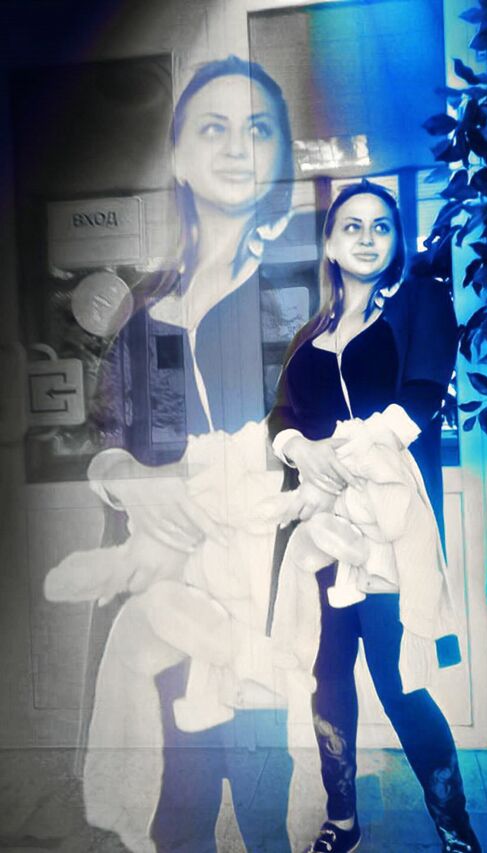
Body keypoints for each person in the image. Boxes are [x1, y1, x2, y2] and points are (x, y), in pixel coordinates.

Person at [49, 56, 296, 853]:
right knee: (176, 811)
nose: (236, 146)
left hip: (254, 607)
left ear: (281, 157)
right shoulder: (147, 311)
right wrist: (126, 478)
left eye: (257, 128)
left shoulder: (299, 297)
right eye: (212, 127)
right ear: (179, 158)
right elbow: (107, 437)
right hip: (163, 606)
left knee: (263, 803)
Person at [267, 181, 482, 853]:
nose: (366, 236)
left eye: (381, 226)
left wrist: (347, 451)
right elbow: (280, 415)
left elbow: (422, 394)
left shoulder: (420, 301)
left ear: (396, 241)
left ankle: (457, 831)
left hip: (385, 526)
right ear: (330, 244)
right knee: (328, 674)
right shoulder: (311, 330)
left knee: (398, 681)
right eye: (352, 226)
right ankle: (342, 821)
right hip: (320, 530)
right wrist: (299, 447)